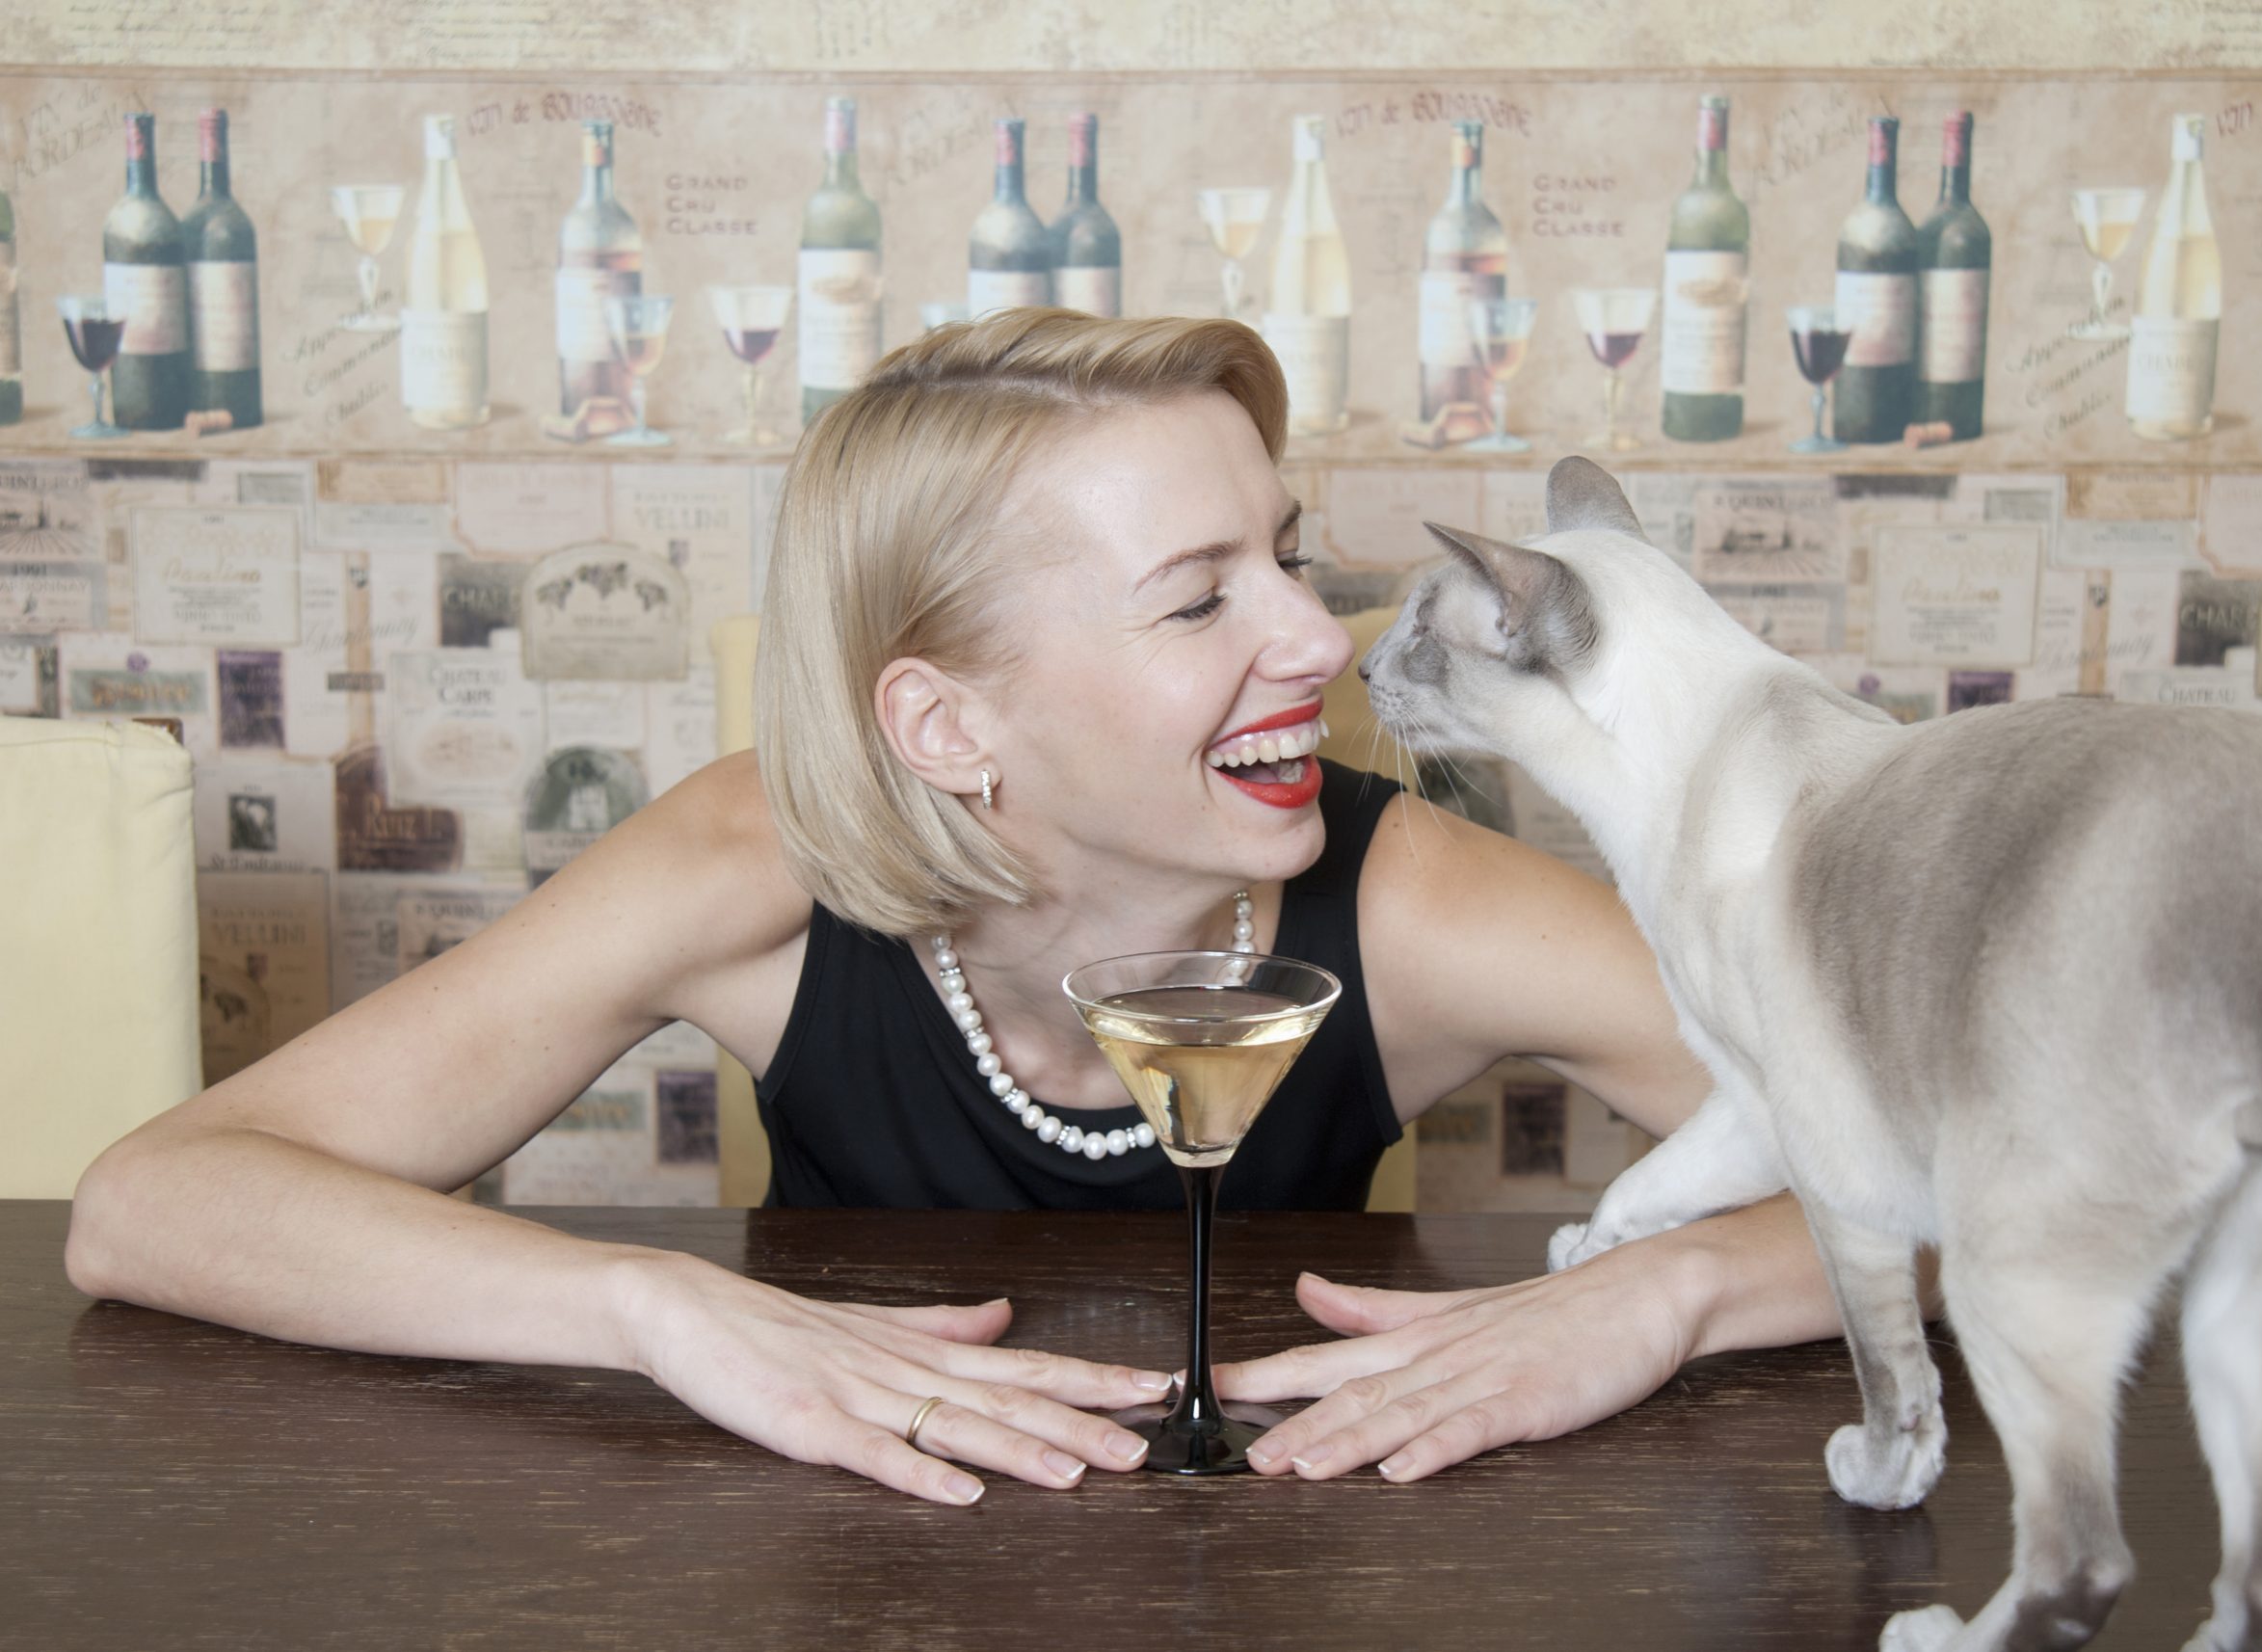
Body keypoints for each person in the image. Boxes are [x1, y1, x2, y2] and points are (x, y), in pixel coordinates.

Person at [65, 309, 1838, 1505]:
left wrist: (1670, 1292)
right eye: (1195, 599)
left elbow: (1977, 1174)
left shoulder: (1415, 900)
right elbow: (154, 1206)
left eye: (1283, 557)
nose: (1317, 638)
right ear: (945, 725)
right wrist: (649, 1308)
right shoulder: (751, 864)